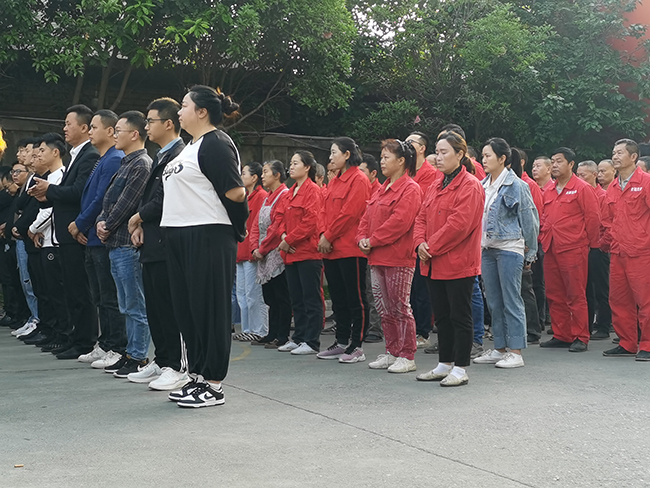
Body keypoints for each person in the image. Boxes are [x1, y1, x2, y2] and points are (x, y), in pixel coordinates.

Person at [162, 85, 248, 408]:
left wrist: (235, 229)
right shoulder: (189, 147)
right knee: (187, 309)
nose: (179, 111)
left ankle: (213, 383)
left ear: (201, 111)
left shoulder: (215, 143)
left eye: (184, 105)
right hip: (179, 234)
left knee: (209, 308)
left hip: (208, 233)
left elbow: (235, 193)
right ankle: (197, 375)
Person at [126, 98, 189, 390]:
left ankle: (177, 365)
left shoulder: (179, 155)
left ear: (168, 123)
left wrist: (137, 217)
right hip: (152, 241)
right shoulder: (161, 155)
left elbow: (164, 199)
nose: (146, 126)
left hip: (168, 243)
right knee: (155, 307)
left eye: (150, 121)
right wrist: (140, 223)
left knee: (170, 307)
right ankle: (163, 359)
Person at [28, 104, 100, 360]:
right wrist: (47, 195)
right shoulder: (76, 156)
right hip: (65, 234)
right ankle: (75, 338)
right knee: (71, 291)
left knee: (80, 292)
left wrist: (50, 190)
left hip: (75, 232)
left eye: (69, 124)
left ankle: (85, 341)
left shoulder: (89, 155)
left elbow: (79, 192)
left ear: (84, 127)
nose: (65, 128)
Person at [414, 130, 484, 387]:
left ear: (460, 154)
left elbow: (459, 225)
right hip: (433, 262)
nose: (439, 157)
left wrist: (430, 246)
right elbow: (421, 217)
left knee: (460, 316)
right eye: (437, 152)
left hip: (458, 262)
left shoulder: (470, 185)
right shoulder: (436, 184)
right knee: (442, 316)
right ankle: (444, 363)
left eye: (444, 152)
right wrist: (419, 243)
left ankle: (460, 367)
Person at [96, 111, 152, 378]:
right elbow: (108, 200)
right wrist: (101, 221)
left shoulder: (141, 164)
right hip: (115, 243)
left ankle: (138, 356)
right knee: (125, 304)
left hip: (127, 245)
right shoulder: (125, 163)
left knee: (134, 304)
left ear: (134, 134)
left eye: (119, 130)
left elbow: (127, 204)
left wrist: (106, 225)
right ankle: (130, 353)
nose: (115, 135)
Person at [473, 139, 538, 369]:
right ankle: (499, 348)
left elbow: (529, 220)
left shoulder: (517, 185)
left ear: (502, 158)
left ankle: (516, 351)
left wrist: (531, 252)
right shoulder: (482, 185)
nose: (484, 160)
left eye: (488, 156)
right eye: (482, 156)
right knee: (493, 300)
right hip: (487, 248)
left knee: (511, 299)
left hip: (510, 248)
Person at [358, 139, 422, 373]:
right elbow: (366, 217)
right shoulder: (381, 188)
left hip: (398, 257)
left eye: (387, 157)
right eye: (382, 157)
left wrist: (372, 240)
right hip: (377, 257)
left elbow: (400, 222)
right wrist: (361, 238)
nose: (382, 161)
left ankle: (407, 354)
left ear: (401, 161)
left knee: (400, 307)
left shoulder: (410, 189)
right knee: (384, 308)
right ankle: (392, 351)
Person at [69, 110, 127, 367]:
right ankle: (105, 343)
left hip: (102, 238)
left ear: (110, 131)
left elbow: (100, 199)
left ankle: (116, 345)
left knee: (109, 297)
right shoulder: (104, 159)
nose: (90, 131)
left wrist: (80, 223)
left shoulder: (114, 159)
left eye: (94, 127)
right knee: (100, 297)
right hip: (92, 238)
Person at [539, 147, 600, 352]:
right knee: (554, 294)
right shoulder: (549, 189)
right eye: (553, 161)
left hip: (573, 247)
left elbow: (593, 218)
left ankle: (581, 336)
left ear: (571, 164)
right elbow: (544, 216)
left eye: (559, 161)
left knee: (576, 294)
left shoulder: (582, 188)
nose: (554, 165)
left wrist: (591, 244)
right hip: (551, 246)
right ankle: (562, 334)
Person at [316, 137, 370, 363]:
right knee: (338, 299)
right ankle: (341, 341)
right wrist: (323, 234)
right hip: (330, 249)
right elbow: (323, 210)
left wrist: (328, 235)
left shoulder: (359, 179)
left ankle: (356, 345)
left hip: (349, 249)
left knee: (355, 299)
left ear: (347, 154)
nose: (330, 157)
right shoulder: (335, 180)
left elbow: (350, 214)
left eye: (334, 152)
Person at [601, 139, 650, 360]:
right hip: (618, 251)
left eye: (620, 152)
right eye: (614, 152)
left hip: (642, 251)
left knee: (645, 300)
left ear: (633, 157)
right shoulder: (612, 187)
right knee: (619, 299)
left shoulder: (646, 182)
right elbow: (608, 220)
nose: (615, 156)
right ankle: (627, 342)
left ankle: (647, 344)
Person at [277, 151, 323, 355]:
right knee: (296, 298)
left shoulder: (313, 191)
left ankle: (311, 341)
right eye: (291, 163)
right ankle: (299, 337)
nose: (291, 166)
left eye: (296, 163)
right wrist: (283, 237)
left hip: (307, 252)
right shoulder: (290, 192)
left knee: (310, 298)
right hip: (290, 253)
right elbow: (279, 218)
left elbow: (311, 222)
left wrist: (288, 240)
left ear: (307, 167)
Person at [250, 161, 292, 349]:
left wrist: (262, 249)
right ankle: (272, 332)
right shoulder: (267, 197)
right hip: (263, 253)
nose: (262, 175)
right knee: (270, 297)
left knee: (281, 296)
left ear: (277, 175)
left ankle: (282, 335)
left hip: (275, 253)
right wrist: (254, 247)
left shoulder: (284, 195)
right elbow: (255, 225)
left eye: (266, 172)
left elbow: (276, 227)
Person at [405, 131, 437, 348]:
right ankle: (409, 329)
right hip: (403, 240)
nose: (407, 145)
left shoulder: (431, 174)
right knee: (407, 290)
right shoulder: (405, 172)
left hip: (421, 239)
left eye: (411, 142)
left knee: (421, 288)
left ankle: (423, 330)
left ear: (422, 148)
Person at [233, 161, 269, 342]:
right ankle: (247, 329)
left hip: (251, 252)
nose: (241, 176)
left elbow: (259, 226)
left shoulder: (261, 196)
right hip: (241, 251)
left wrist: (257, 248)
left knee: (253, 294)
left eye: (244, 173)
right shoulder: (244, 197)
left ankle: (259, 329)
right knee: (242, 294)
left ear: (254, 177)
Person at [577, 160, 612, 340]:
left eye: (583, 175)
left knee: (601, 287)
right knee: (585, 288)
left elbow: (605, 224)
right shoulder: (580, 193)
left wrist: (601, 244)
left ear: (594, 175)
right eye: (578, 175)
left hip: (598, 247)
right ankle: (587, 325)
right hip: (583, 246)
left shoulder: (602, 196)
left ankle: (604, 325)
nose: (579, 178)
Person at [359, 152, 383, 343]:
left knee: (374, 291)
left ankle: (376, 328)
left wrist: (371, 240)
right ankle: (366, 325)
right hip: (362, 245)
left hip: (376, 246)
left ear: (373, 173)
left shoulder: (379, 191)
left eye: (362, 171)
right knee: (365, 290)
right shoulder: (362, 190)